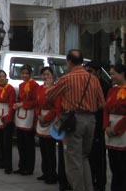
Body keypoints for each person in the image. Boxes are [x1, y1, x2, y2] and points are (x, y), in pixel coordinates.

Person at [46, 49, 105, 191]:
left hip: (73, 120)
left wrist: (49, 87)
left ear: (69, 62)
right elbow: (102, 104)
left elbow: (50, 96)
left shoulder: (67, 78)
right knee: (84, 157)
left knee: (73, 160)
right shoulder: (94, 79)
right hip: (91, 120)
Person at [85, 60, 111, 191]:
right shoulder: (87, 85)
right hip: (88, 124)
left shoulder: (105, 87)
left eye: (90, 72)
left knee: (99, 156)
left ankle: (100, 183)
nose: (88, 74)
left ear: (98, 73)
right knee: (88, 156)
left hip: (99, 125)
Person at [103, 63, 126, 191]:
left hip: (122, 130)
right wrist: (106, 126)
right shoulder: (112, 90)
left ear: (122, 74)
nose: (111, 77)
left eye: (113, 74)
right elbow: (106, 110)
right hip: (110, 129)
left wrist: (117, 129)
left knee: (123, 165)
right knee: (113, 165)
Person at [35, 66, 60, 185]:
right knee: (43, 149)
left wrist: (47, 118)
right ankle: (45, 172)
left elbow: (57, 107)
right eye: (44, 75)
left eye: (48, 75)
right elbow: (37, 104)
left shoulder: (55, 89)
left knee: (50, 150)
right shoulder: (40, 88)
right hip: (41, 118)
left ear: (53, 76)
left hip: (51, 118)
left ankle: (52, 174)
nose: (46, 77)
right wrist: (39, 115)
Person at [13, 64, 38, 176]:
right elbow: (19, 98)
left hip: (29, 115)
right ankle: (21, 165)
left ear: (30, 74)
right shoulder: (21, 85)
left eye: (26, 73)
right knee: (20, 142)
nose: (24, 75)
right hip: (20, 114)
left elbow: (35, 102)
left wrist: (23, 104)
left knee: (29, 143)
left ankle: (29, 167)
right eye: (23, 73)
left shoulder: (35, 85)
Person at [0, 69, 16, 174]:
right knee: (1, 140)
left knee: (7, 142)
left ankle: (8, 165)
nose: (2, 78)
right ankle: (1, 160)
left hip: (7, 115)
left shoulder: (10, 89)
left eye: (3, 76)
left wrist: (9, 118)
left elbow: (11, 104)